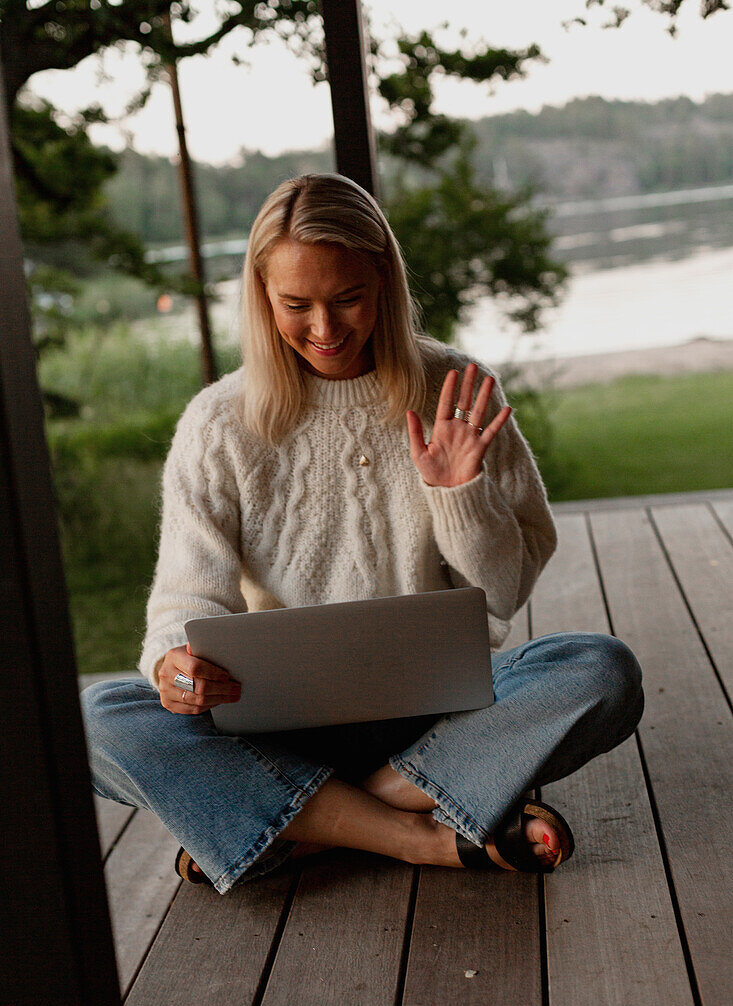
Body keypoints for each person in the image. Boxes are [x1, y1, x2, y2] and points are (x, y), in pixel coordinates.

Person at [81, 173, 643, 893]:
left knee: (598, 670)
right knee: (101, 721)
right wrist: (173, 668)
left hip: (442, 715)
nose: (325, 329)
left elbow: (502, 594)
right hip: (277, 726)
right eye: (295, 305)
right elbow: (183, 603)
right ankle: (421, 834)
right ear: (261, 299)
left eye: (347, 298)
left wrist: (457, 493)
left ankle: (300, 824)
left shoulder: (457, 389)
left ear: (383, 281)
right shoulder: (218, 423)